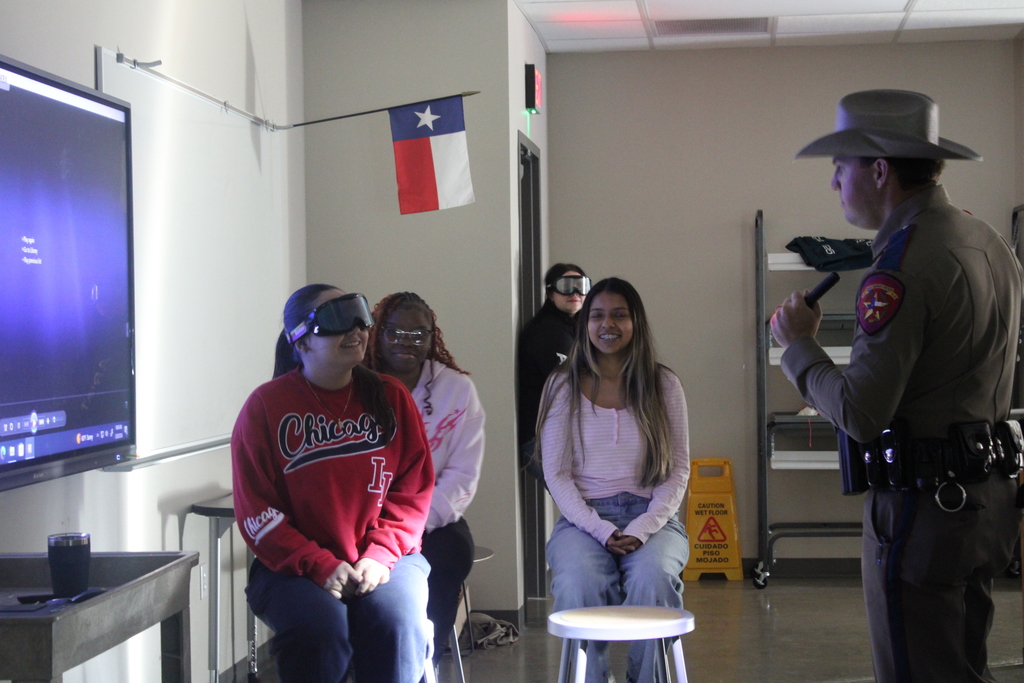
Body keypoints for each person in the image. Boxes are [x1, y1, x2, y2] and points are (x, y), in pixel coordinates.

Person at [771, 90, 1023, 683]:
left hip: (923, 513)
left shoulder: (900, 267)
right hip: (984, 502)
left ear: (879, 169)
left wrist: (800, 346)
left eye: (841, 166)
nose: (834, 182)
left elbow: (860, 412)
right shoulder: (989, 242)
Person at [232, 284, 435, 683]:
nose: (358, 329)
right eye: (338, 320)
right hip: (292, 566)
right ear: (301, 340)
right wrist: (320, 565)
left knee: (396, 624)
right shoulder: (265, 408)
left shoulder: (391, 398)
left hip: (386, 556)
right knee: (319, 631)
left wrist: (380, 554)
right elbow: (258, 513)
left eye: (360, 316)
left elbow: (413, 491)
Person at [537, 277, 690, 683]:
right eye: (598, 315)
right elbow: (556, 474)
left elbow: (678, 471)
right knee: (579, 582)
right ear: (585, 323)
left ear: (636, 322)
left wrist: (641, 529)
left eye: (620, 315)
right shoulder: (561, 384)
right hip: (583, 520)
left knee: (653, 578)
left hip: (652, 517)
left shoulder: (664, 384)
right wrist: (601, 530)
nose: (609, 324)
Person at [365, 291, 485, 666]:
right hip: (363, 521)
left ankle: (422, 662)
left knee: (450, 554)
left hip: (433, 520)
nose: (406, 342)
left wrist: (411, 527)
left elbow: (462, 477)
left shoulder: (457, 390)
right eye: (395, 332)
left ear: (434, 339)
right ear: (377, 334)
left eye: (419, 334)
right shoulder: (355, 385)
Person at [518, 263, 590, 480]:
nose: (575, 293)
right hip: (541, 442)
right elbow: (574, 388)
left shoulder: (575, 330)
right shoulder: (548, 331)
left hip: (557, 438)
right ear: (550, 293)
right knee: (586, 504)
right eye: (566, 286)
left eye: (581, 286)